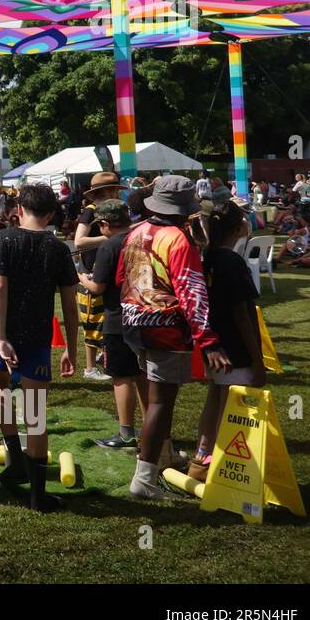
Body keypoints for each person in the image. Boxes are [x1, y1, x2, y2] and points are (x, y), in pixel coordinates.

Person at [117, 175, 224, 501]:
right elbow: (192, 292)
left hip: (133, 324)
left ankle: (158, 462)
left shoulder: (135, 232)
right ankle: (144, 478)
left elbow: (122, 277)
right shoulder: (178, 240)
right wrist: (208, 340)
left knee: (155, 399)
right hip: (164, 327)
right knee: (161, 403)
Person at [0, 183, 78, 513]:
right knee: (36, 415)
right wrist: (72, 349)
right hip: (37, 335)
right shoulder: (59, 248)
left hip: (0, 331)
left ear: (19, 209)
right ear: (51, 213)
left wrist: (0, 336)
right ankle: (38, 496)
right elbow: (69, 301)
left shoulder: (3, 240)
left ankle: (14, 458)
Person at [188, 198, 265, 483]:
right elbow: (243, 316)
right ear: (237, 227)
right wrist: (258, 360)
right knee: (232, 410)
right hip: (234, 347)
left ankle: (202, 457)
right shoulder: (231, 262)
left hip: (214, 345)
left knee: (216, 398)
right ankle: (222, 465)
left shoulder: (208, 257)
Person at [79, 200, 148, 450]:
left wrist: (81, 278)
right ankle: (153, 428)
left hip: (118, 320)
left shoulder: (109, 246)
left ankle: (126, 432)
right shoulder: (142, 238)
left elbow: (97, 287)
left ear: (106, 224)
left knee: (121, 377)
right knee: (143, 374)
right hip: (145, 316)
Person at [73, 171, 123, 382]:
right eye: (116, 190)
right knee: (92, 321)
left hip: (108, 269)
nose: (119, 194)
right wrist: (107, 238)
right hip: (90, 271)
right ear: (107, 191)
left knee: (106, 319)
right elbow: (78, 242)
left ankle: (104, 358)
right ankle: (90, 367)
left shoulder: (115, 210)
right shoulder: (90, 212)